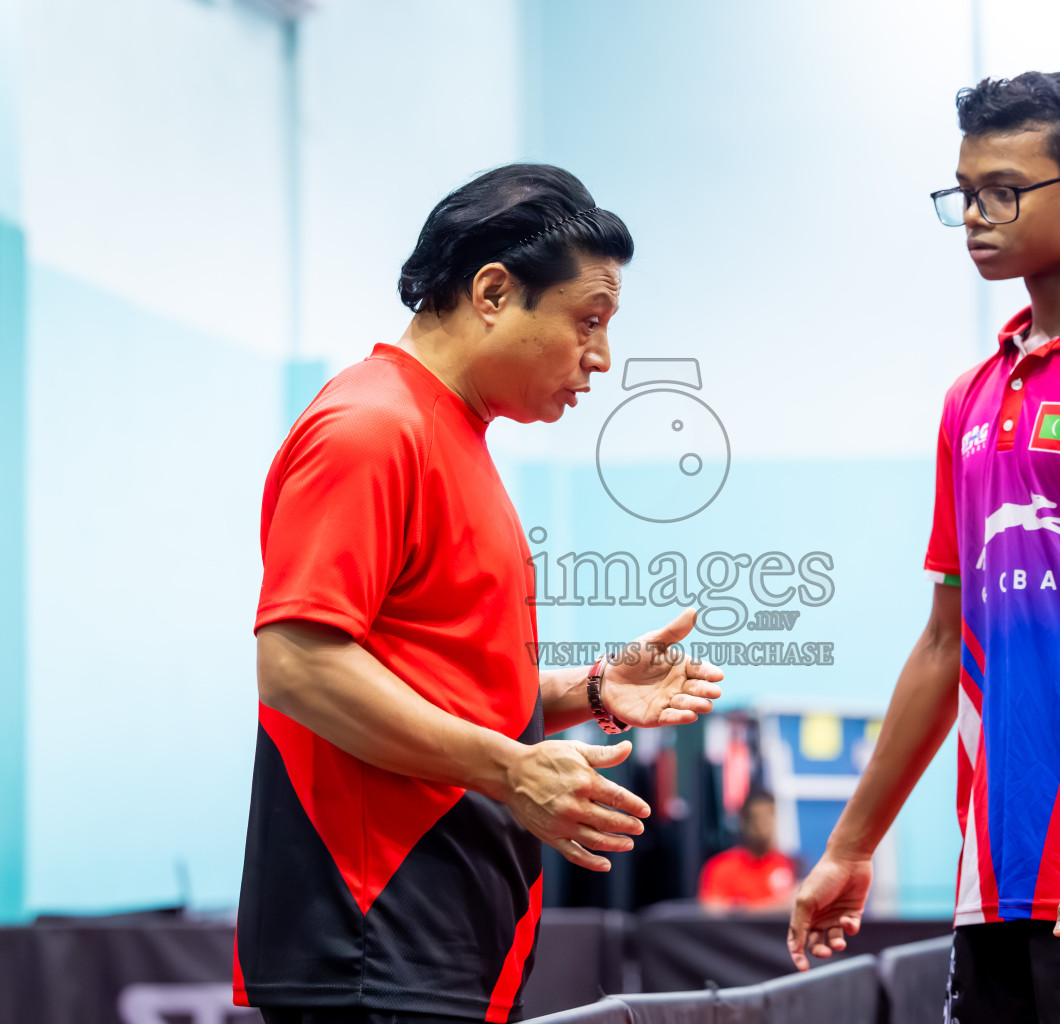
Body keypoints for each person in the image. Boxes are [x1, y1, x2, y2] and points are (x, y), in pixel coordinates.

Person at [233, 164, 726, 1024]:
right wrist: (511, 769)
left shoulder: (453, 435)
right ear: (494, 291)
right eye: (590, 321)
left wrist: (590, 693)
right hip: (371, 937)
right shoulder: (371, 428)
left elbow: (438, 678)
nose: (602, 358)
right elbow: (297, 666)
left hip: (440, 935)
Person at [788, 72, 1060, 1022]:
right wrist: (853, 843)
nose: (977, 217)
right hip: (994, 881)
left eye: (1003, 190)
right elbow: (946, 641)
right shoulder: (971, 399)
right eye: (964, 194)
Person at [698, 790, 797, 910]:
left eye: (770, 815)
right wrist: (776, 905)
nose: (764, 824)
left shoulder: (785, 863)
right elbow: (713, 911)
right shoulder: (721, 867)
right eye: (757, 817)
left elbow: (795, 906)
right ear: (744, 821)